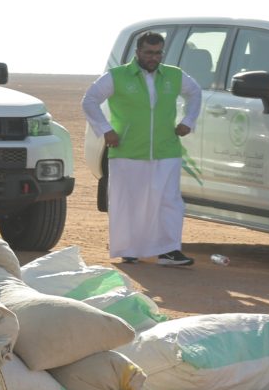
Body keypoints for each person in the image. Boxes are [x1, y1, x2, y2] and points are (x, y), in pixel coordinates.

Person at [81, 32, 198, 267]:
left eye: (157, 53)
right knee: (129, 202)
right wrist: (105, 129)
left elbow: (195, 92)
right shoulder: (117, 76)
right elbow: (90, 100)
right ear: (137, 52)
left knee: (169, 201)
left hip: (166, 150)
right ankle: (129, 249)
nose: (153, 58)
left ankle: (169, 251)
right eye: (148, 53)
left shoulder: (173, 75)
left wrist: (188, 121)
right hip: (127, 150)